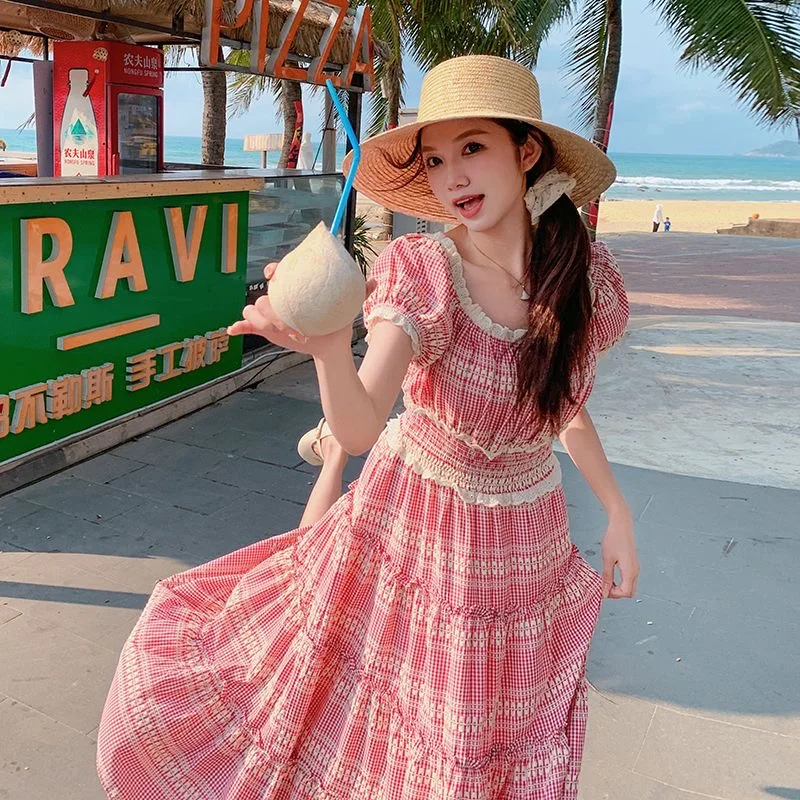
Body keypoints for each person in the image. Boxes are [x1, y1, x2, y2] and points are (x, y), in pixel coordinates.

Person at [96, 55, 639, 800]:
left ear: (528, 150)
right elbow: (361, 425)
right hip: (420, 527)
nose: (453, 177)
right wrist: (325, 346)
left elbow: (563, 409)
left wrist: (616, 510)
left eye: (473, 147)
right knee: (385, 718)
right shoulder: (427, 272)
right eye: (437, 160)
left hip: (525, 540)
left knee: (491, 733)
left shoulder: (577, 277)